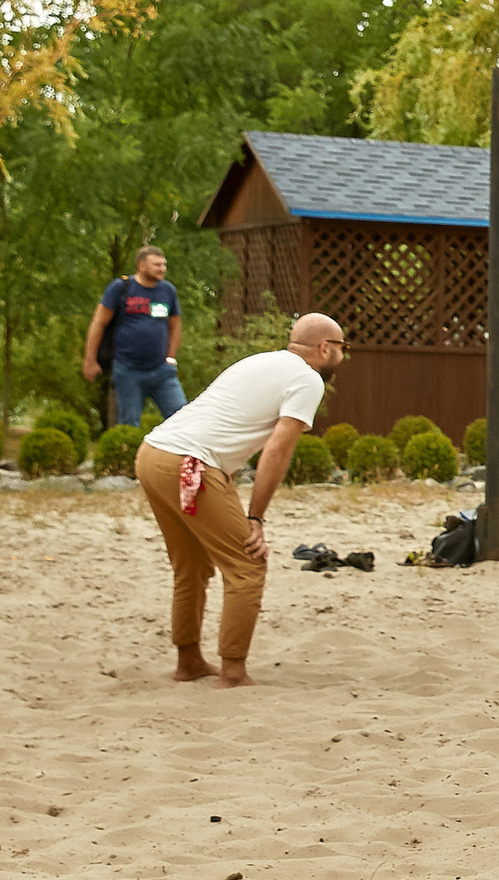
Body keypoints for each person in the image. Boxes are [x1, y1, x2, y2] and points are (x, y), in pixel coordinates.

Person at [135, 313, 344, 687]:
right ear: (324, 348)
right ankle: (233, 671)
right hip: (189, 464)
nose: (344, 356)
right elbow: (277, 451)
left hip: (153, 454)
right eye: (343, 348)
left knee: (191, 566)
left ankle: (189, 662)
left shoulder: (260, 362)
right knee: (247, 564)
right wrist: (255, 518)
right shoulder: (308, 379)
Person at [85, 246, 188, 427]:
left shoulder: (168, 291)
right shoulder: (121, 288)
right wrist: (90, 360)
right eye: (156, 265)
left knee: (183, 419)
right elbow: (98, 323)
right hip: (128, 370)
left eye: (164, 265)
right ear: (141, 266)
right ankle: (129, 447)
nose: (162, 269)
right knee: (129, 424)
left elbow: (175, 325)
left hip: (162, 372)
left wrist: (171, 358)